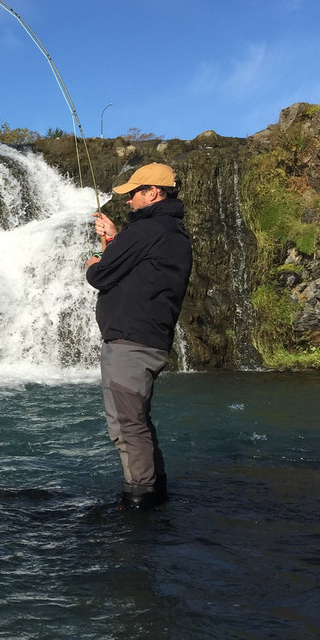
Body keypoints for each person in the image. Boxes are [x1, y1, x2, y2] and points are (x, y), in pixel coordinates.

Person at [85, 163, 192, 509]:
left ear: (153, 192)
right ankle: (156, 493)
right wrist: (115, 240)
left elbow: (101, 275)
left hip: (128, 344)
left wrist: (95, 261)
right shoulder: (171, 232)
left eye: (134, 193)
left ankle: (140, 501)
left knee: (127, 426)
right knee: (138, 421)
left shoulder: (146, 230)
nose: (129, 200)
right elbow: (139, 268)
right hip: (151, 340)